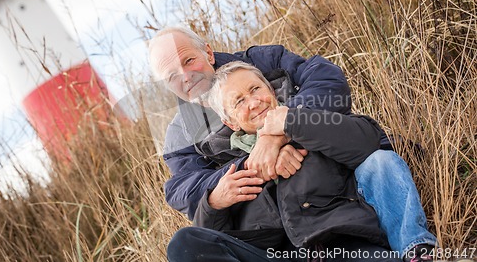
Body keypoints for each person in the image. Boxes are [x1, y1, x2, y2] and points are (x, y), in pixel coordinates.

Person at [147, 26, 437, 260]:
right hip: (271, 235)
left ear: (207, 52)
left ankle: (415, 251)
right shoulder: (181, 134)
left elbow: (327, 81)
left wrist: (278, 131)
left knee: (378, 161)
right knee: (186, 243)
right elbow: (184, 190)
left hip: (329, 207)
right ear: (230, 123)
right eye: (172, 75)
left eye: (189, 61)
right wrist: (248, 168)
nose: (187, 77)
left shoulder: (262, 62)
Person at [168, 61, 398, 262]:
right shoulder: (233, 169)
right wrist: (214, 204)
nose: (254, 102)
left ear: (271, 91)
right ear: (231, 124)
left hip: (342, 246)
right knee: (184, 242)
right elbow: (213, 246)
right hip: (275, 255)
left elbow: (370, 142)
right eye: (239, 101)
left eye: (255, 89)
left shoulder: (311, 123)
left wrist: (288, 130)